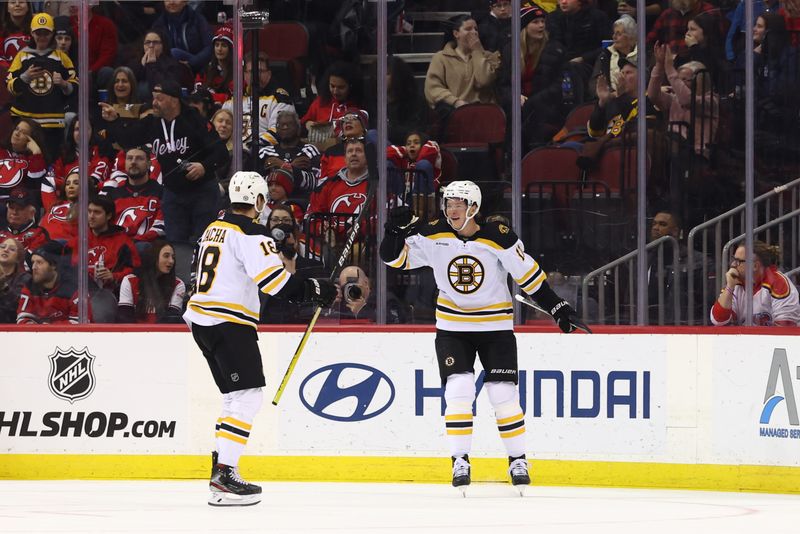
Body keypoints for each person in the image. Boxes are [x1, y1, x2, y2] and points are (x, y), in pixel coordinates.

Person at [379, 180, 583, 491]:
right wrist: (393, 231)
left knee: (503, 394)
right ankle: (459, 460)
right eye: (448, 203)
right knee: (459, 389)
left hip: (495, 328)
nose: (452, 209)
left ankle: (517, 460)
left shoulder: (497, 237)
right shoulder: (434, 234)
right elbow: (394, 260)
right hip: (452, 327)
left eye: (458, 203)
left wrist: (557, 307)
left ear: (473, 207)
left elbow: (528, 276)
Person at [183, 171, 337, 506]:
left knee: (234, 396)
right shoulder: (253, 232)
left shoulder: (215, 227)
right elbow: (274, 283)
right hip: (228, 322)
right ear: (259, 201)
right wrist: (316, 288)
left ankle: (221, 470)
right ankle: (225, 472)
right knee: (249, 396)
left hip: (202, 321)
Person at [100, 79, 230, 244]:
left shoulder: (194, 120)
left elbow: (221, 153)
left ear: (174, 100)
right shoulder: (152, 123)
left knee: (204, 241)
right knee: (175, 244)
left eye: (159, 98)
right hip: (173, 193)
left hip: (202, 191)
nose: (154, 103)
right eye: (153, 97)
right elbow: (128, 140)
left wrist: (204, 166)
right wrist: (114, 121)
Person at [6, 12, 78, 155]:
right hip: (25, 121)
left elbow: (75, 85)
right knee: (25, 159)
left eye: (46, 33)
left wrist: (64, 84)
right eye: (38, 33)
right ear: (32, 33)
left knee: (51, 160)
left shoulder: (61, 57)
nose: (42, 37)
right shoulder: (22, 56)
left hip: (53, 122)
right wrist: (24, 78)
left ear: (52, 34)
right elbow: (9, 86)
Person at [497, 4, 566, 147]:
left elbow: (557, 86)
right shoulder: (510, 50)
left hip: (545, 107)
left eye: (543, 21)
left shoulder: (554, 49)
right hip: (517, 107)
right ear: (524, 27)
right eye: (535, 22)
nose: (541, 25)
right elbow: (503, 84)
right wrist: (515, 96)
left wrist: (531, 102)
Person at [424, 15, 501, 121]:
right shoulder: (441, 58)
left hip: (485, 113)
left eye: (476, 29)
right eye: (468, 29)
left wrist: (477, 51)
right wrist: (456, 102)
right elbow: (433, 89)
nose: (474, 32)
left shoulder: (489, 56)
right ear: (456, 34)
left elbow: (484, 80)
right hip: (454, 112)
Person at [260, 206, 326, 324]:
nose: (280, 224)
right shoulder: (259, 265)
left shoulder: (313, 267)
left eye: (286, 220)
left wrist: (292, 275)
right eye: (275, 220)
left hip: (301, 325)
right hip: (265, 325)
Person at [711, 241, 800, 327]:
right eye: (733, 259)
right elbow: (718, 320)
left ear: (755, 266)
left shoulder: (778, 282)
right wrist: (729, 287)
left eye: (738, 261)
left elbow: (785, 328)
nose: (733, 265)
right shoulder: (735, 283)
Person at [221, 51, 295, 150]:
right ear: (245, 74)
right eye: (252, 71)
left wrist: (249, 147)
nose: (256, 76)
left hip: (265, 155)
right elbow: (219, 127)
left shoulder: (280, 98)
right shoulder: (234, 99)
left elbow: (280, 131)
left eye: (260, 71)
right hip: (232, 155)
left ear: (269, 74)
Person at [100, 145, 165, 250]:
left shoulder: (161, 192)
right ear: (125, 163)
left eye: (139, 158)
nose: (133, 162)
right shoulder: (113, 194)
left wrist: (134, 241)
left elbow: (160, 228)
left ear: (149, 164)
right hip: (115, 246)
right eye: (130, 158)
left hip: (147, 247)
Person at [117, 239, 185, 323]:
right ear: (154, 257)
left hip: (163, 334)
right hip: (134, 334)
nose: (171, 261)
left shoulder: (178, 284)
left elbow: (171, 319)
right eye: (166, 256)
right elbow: (125, 317)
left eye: (173, 257)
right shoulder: (129, 281)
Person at [259, 110, 322, 193]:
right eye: (281, 125)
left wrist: (283, 167)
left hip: (301, 201)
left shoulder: (309, 150)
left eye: (289, 124)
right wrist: (291, 169)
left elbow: (316, 182)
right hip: (271, 202)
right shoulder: (265, 152)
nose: (285, 127)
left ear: (298, 128)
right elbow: (257, 183)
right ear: (276, 129)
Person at [17, 240, 78, 324]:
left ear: (53, 265)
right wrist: (30, 325)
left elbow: (79, 323)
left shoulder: (74, 289)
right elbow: (23, 318)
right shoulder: (29, 286)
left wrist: (50, 328)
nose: (34, 267)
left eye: (39, 262)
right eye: (33, 262)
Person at [130, 28, 193, 101]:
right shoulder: (136, 62)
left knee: (143, 88)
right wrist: (141, 65)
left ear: (163, 46)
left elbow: (163, 88)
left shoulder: (173, 65)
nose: (151, 46)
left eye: (155, 42)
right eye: (147, 42)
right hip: (137, 104)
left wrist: (152, 65)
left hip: (163, 102)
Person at [152, 0, 212, 75]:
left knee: (175, 53)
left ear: (185, 2)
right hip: (169, 67)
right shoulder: (159, 24)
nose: (171, 2)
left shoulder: (197, 19)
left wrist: (191, 63)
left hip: (196, 65)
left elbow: (209, 46)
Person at [589, 15, 638, 99]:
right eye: (614, 33)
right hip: (611, 101)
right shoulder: (605, 55)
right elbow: (594, 84)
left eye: (618, 34)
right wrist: (609, 95)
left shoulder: (645, 55)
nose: (614, 37)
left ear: (631, 37)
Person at [0, 118, 46, 204]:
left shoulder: (32, 160)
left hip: (16, 203)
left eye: (23, 132)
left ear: (31, 140)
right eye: (17, 129)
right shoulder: (1, 151)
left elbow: (36, 186)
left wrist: (36, 153)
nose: (17, 133)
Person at [0, 187, 49, 256]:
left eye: (20, 208)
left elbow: (30, 263)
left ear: (32, 213)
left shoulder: (39, 234)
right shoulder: (1, 232)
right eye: (11, 207)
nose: (14, 212)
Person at [0, 236, 29, 323]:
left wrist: (4, 287)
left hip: (9, 326)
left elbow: (17, 305)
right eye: (2, 246)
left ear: (18, 258)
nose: (5, 250)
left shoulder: (25, 278)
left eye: (12, 249)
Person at [0, 0, 32, 69]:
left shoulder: (36, 29)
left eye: (21, 2)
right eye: (13, 2)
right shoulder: (1, 30)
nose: (17, 5)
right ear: (7, 8)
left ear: (28, 7)